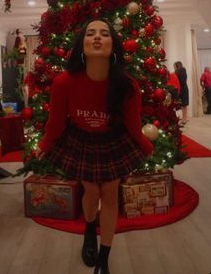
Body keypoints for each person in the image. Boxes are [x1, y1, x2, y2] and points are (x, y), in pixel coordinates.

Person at [36, 18, 154, 274]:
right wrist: (45, 142)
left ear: (113, 46)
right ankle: (90, 229)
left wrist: (145, 146)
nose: (98, 37)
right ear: (82, 45)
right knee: (90, 190)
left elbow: (134, 125)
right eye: (91, 33)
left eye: (104, 33)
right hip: (81, 140)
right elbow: (56, 122)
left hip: (113, 141)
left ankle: (103, 259)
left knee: (110, 192)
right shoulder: (63, 82)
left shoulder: (127, 85)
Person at [174, 61, 189, 125]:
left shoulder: (176, 72)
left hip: (179, 89)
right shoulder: (183, 70)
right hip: (183, 89)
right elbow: (183, 81)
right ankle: (184, 119)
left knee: (181, 104)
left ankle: (184, 118)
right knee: (184, 105)